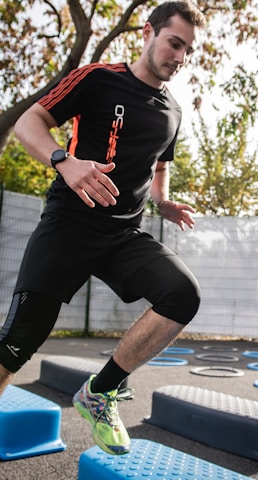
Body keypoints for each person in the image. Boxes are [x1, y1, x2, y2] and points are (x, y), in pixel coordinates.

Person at [0, 1, 206, 455]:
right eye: (174, 43)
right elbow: (28, 122)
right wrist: (63, 161)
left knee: (182, 295)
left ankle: (100, 392)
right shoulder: (98, 78)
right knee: (16, 344)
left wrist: (163, 201)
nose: (180, 56)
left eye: (188, 49)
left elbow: (159, 167)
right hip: (69, 225)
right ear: (148, 33)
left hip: (122, 236)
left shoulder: (172, 112)